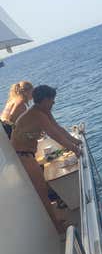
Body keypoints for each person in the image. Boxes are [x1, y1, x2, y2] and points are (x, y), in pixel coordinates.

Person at [11, 85, 82, 233]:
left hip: (26, 154)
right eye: (51, 100)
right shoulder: (37, 114)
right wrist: (75, 149)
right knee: (42, 191)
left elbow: (58, 128)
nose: (53, 102)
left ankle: (55, 221)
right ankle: (57, 227)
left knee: (43, 188)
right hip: (22, 155)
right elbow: (54, 135)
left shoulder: (43, 111)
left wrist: (76, 141)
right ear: (44, 100)